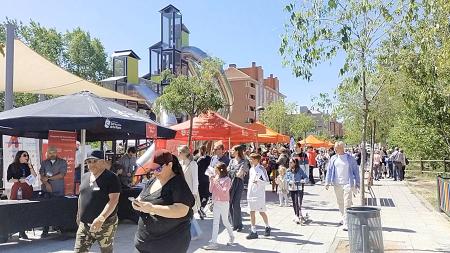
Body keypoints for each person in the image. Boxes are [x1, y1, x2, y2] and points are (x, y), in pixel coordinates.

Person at [133, 149, 194, 253]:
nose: (154, 173)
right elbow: (141, 197)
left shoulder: (178, 183)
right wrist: (137, 204)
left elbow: (181, 210)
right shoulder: (153, 180)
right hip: (144, 243)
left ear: (169, 165)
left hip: (168, 245)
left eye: (158, 169)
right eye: (152, 169)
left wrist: (152, 208)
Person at [74, 151, 121, 253]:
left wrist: (101, 218)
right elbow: (81, 196)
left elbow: (114, 200)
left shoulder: (111, 178)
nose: (91, 164)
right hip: (85, 225)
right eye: (89, 162)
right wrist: (79, 215)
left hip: (105, 224)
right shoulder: (85, 176)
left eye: (94, 161)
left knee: (106, 251)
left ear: (103, 162)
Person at [325, 141, 360, 231]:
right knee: (340, 202)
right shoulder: (333, 158)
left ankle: (346, 223)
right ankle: (343, 217)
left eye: (337, 148)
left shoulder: (350, 158)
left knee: (347, 202)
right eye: (335, 148)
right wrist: (327, 182)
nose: (335, 149)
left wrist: (358, 183)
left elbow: (356, 171)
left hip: (348, 183)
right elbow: (329, 170)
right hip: (337, 183)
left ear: (342, 148)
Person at [202, 162, 234, 250]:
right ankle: (214, 243)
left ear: (220, 170)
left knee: (225, 221)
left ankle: (231, 235)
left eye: (216, 170)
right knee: (215, 222)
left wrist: (216, 182)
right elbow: (211, 190)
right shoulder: (215, 178)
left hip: (224, 203)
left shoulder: (227, 180)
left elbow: (224, 191)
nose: (214, 172)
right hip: (216, 202)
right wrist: (211, 181)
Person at [7, 150, 37, 239]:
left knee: (26, 209)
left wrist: (30, 166)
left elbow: (34, 176)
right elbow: (9, 179)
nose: (27, 157)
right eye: (25, 155)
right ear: (19, 156)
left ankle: (23, 231)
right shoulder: (12, 166)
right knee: (16, 209)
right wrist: (19, 180)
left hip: (27, 187)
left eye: (27, 155)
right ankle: (14, 230)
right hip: (17, 187)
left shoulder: (28, 166)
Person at [39, 146, 68, 238]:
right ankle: (45, 230)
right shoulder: (44, 163)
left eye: (53, 152)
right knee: (46, 210)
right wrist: (46, 183)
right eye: (50, 152)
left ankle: (61, 229)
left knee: (59, 209)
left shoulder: (62, 162)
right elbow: (41, 175)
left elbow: (61, 175)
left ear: (56, 152)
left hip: (58, 190)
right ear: (47, 153)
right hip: (46, 190)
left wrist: (49, 178)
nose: (52, 154)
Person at [177, 145, 201, 240]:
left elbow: (195, 180)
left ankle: (194, 233)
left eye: (179, 152)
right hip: (181, 192)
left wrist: (194, 193)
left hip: (190, 192)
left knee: (188, 213)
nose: (178, 154)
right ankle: (193, 233)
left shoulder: (193, 164)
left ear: (184, 153)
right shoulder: (180, 163)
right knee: (185, 212)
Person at [246, 153, 270, 239]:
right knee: (251, 211)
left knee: (261, 212)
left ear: (256, 160)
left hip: (259, 194)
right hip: (251, 193)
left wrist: (259, 182)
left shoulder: (261, 169)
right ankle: (253, 231)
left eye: (251, 159)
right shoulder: (251, 169)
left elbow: (267, 181)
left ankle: (267, 226)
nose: (250, 160)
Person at [227, 145, 249, 232]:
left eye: (232, 150)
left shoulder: (244, 162)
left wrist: (232, 172)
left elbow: (239, 175)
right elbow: (227, 170)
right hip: (229, 183)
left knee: (236, 204)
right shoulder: (231, 161)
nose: (231, 151)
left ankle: (239, 224)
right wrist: (234, 172)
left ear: (237, 151)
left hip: (238, 184)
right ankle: (234, 224)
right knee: (229, 204)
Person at [286, 158, 308, 224]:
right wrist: (289, 181)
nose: (290, 164)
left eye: (291, 162)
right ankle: (296, 215)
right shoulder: (288, 171)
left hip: (299, 187)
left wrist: (303, 180)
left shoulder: (299, 170)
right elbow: (287, 179)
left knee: (298, 202)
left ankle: (298, 215)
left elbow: (305, 177)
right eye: (289, 162)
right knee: (294, 202)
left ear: (295, 163)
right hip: (292, 188)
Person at [196, 145, 212, 219]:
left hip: (198, 179)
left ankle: (200, 208)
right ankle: (201, 208)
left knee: (200, 195)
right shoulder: (208, 158)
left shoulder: (196, 158)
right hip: (206, 179)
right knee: (206, 195)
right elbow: (211, 167)